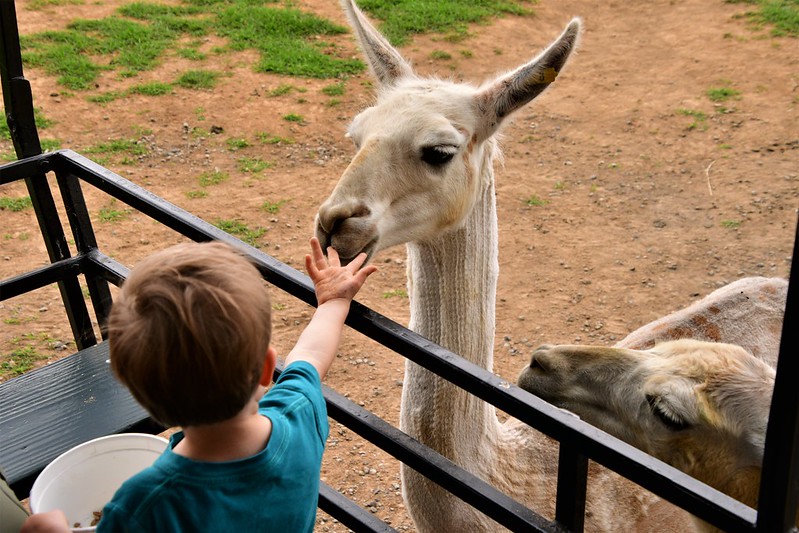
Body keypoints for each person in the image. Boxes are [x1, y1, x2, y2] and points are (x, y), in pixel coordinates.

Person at [21, 237, 376, 532]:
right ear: (268, 368)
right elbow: (311, 354)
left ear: (146, 398)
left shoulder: (146, 503)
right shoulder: (298, 415)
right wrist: (334, 301)